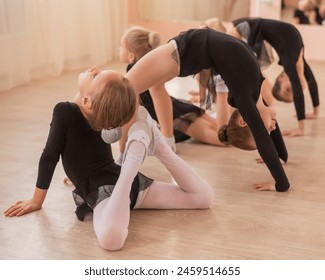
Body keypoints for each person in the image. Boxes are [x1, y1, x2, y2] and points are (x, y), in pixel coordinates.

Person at [4, 67, 214, 251]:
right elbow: (84, 152)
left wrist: (36, 200)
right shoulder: (103, 110)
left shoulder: (65, 110)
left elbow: (49, 156)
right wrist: (75, 173)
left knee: (112, 240)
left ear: (87, 101)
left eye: (96, 76)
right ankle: (155, 144)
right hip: (125, 183)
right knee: (202, 198)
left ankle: (132, 166)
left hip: (104, 191)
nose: (94, 68)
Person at [91, 27, 290, 192]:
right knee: (131, 91)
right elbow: (265, 134)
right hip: (183, 50)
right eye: (271, 127)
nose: (272, 127)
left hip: (180, 54)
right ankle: (125, 155)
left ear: (245, 120)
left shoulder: (248, 96)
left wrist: (281, 183)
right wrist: (282, 159)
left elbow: (263, 136)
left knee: (125, 91)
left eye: (269, 128)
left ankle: (119, 159)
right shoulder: (254, 90)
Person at [119, 25, 232, 147]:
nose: (119, 50)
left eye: (121, 47)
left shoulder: (132, 70)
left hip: (178, 119)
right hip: (179, 109)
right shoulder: (151, 67)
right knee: (227, 130)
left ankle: (222, 86)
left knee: (225, 139)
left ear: (131, 55)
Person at [229, 17, 320, 137]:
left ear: (281, 77)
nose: (294, 89)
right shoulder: (295, 61)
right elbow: (311, 81)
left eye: (288, 90)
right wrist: (315, 112)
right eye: (292, 93)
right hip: (251, 27)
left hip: (247, 28)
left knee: (236, 61)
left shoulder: (289, 60)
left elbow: (299, 88)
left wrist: (300, 128)